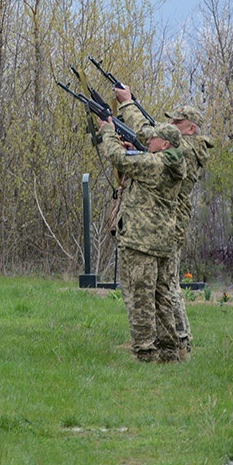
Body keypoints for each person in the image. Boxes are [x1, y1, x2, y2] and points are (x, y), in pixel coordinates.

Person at [96, 116, 186, 363]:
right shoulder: (172, 163)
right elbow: (140, 162)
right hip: (161, 241)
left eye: (154, 138)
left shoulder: (154, 165)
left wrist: (108, 132)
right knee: (161, 297)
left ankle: (145, 352)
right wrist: (134, 151)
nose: (149, 140)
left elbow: (116, 157)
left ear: (165, 144)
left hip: (141, 242)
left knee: (141, 298)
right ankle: (170, 350)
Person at [164, 104, 214, 355]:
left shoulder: (187, 148)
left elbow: (157, 139)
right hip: (170, 219)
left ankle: (182, 338)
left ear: (191, 128)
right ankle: (172, 337)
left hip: (173, 221)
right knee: (164, 281)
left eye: (177, 123)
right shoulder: (183, 146)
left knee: (170, 282)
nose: (172, 126)